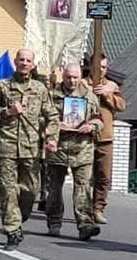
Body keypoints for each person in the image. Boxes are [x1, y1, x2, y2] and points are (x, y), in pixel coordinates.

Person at [0, 48, 57, 249]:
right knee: (8, 190)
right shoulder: (1, 86)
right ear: (15, 61)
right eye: (21, 59)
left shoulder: (40, 89)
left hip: (31, 148)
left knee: (31, 191)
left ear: (32, 64)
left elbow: (52, 116)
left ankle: (18, 218)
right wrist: (7, 111)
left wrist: (51, 138)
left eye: (28, 60)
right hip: (7, 147)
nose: (24, 63)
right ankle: (12, 229)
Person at [44, 63, 103, 240]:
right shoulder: (52, 96)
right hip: (58, 149)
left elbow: (99, 118)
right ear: (63, 77)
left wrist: (91, 126)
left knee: (83, 188)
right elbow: (41, 118)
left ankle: (85, 224)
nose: (72, 81)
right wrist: (54, 126)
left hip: (82, 149)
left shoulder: (89, 96)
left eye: (75, 77)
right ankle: (54, 222)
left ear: (80, 77)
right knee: (54, 189)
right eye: (69, 77)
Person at [90, 56, 126, 224]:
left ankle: (98, 208)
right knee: (84, 177)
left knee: (104, 176)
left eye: (104, 67)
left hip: (105, 137)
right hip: (85, 137)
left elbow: (121, 106)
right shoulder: (82, 83)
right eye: (98, 67)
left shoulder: (112, 86)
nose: (101, 70)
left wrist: (107, 95)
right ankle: (83, 208)